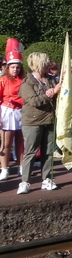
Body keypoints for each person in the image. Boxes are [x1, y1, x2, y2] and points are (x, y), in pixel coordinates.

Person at [18, 52, 62, 194]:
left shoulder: (50, 79)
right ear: (38, 64)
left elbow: (60, 95)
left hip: (49, 119)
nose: (49, 64)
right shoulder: (27, 82)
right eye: (46, 62)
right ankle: (25, 181)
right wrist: (51, 93)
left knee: (48, 152)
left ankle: (47, 179)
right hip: (32, 121)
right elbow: (34, 101)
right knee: (30, 152)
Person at [0, 51, 25, 181]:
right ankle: (5, 169)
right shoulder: (3, 80)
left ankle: (22, 167)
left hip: (21, 112)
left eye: (18, 67)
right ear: (8, 68)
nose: (15, 69)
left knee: (21, 142)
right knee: (6, 143)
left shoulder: (24, 80)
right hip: (6, 112)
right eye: (13, 67)